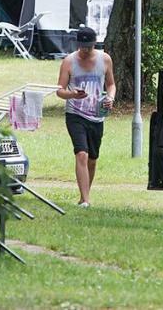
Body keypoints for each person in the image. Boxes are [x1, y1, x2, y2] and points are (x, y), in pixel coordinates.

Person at [55, 27, 116, 208]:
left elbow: (111, 84)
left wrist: (110, 98)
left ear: (94, 44)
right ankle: (86, 201)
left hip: (97, 115)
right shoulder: (69, 62)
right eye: (82, 47)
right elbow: (59, 90)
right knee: (81, 154)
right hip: (75, 114)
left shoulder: (104, 60)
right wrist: (72, 94)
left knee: (92, 159)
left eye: (88, 47)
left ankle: (84, 196)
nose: (85, 50)